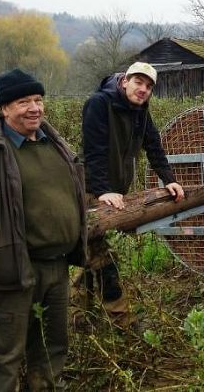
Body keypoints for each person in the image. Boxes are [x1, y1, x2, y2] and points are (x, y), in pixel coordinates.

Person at [0, 68, 87, 391]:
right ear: (4, 108)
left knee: (52, 349)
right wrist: (1, 252)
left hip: (57, 266)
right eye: (23, 101)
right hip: (13, 272)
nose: (34, 108)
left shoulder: (56, 146)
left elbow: (74, 193)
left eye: (38, 99)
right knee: (4, 356)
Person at [80, 61, 184, 312]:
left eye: (149, 86)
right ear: (125, 81)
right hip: (90, 190)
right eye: (138, 82)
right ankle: (120, 320)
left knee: (93, 253)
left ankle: (78, 309)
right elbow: (94, 151)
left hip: (114, 192)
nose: (143, 89)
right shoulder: (99, 104)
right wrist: (103, 190)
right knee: (105, 258)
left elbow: (154, 147)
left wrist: (169, 179)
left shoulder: (141, 112)